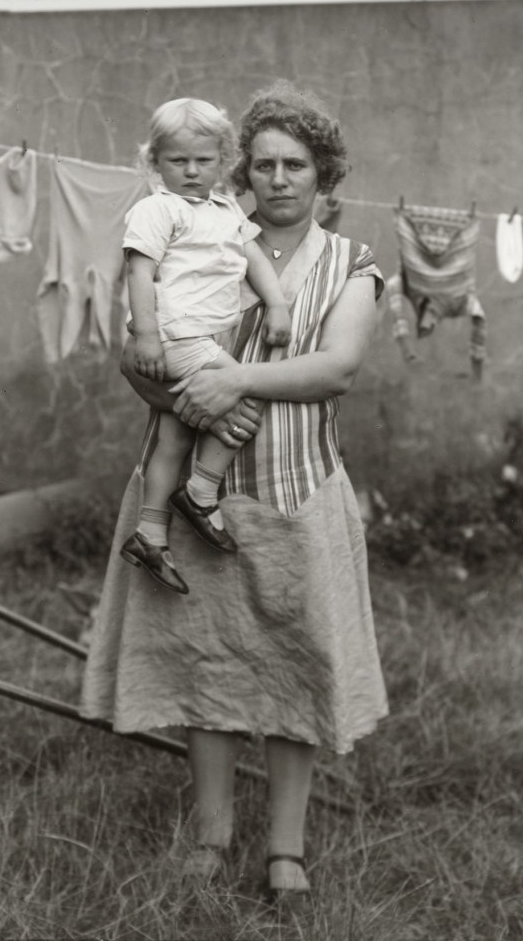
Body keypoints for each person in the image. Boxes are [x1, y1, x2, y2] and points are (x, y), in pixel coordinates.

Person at [81, 81, 388, 909]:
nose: (279, 178)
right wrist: (181, 393)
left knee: (295, 665)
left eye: (297, 164)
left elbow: (338, 368)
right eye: (263, 164)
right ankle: (211, 837)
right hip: (192, 494)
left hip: (298, 491)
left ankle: (285, 849)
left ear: (325, 174)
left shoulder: (351, 262)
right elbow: (137, 356)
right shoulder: (195, 233)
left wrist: (235, 380)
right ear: (239, 172)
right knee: (204, 662)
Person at [120, 98, 291, 594]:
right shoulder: (157, 208)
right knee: (244, 390)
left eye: (204, 161)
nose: (192, 172)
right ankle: (200, 492)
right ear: (155, 163)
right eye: (178, 161)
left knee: (176, 434)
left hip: (203, 335)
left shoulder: (224, 209)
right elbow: (139, 271)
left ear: (224, 161)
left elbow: (252, 254)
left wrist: (275, 304)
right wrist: (147, 335)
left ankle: (150, 534)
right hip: (175, 334)